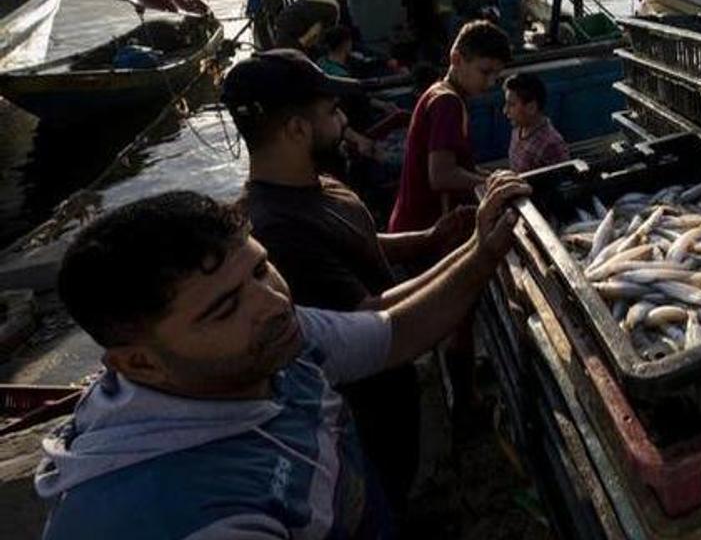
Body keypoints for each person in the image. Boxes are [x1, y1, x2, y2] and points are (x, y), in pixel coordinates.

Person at [35, 175, 529, 539]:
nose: (274, 303)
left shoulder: (269, 343)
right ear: (140, 364)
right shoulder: (189, 516)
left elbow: (394, 331)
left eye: (261, 269)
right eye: (226, 307)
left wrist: (481, 251)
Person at [220, 48, 472, 513]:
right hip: (359, 424)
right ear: (297, 129)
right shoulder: (274, 231)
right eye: (332, 112)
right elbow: (372, 318)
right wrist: (477, 258)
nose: (343, 123)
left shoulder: (319, 186)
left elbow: (357, 238)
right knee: (382, 506)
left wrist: (427, 238)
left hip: (394, 395)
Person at [389, 20, 510, 424]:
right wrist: (488, 182)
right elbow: (439, 175)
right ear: (457, 60)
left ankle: (459, 395)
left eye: (496, 74)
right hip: (428, 229)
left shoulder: (435, 94)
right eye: (484, 72)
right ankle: (466, 405)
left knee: (449, 317)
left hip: (413, 223)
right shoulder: (447, 103)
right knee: (457, 316)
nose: (490, 83)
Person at [504, 72, 570, 173]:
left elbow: (560, 182)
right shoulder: (518, 128)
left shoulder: (551, 145)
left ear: (531, 107)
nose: (505, 110)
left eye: (511, 105)